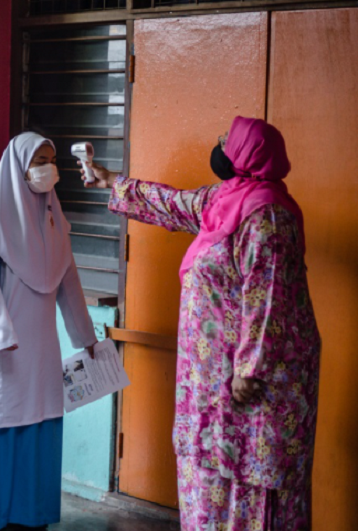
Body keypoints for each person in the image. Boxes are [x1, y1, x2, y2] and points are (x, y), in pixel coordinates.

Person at [85, 116, 320, 530]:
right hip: (211, 377)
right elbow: (174, 204)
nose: (219, 144)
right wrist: (111, 182)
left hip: (250, 384)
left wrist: (250, 368)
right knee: (209, 468)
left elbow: (270, 298)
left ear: (248, 155)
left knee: (248, 477)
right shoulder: (226, 199)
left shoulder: (268, 216)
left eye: (227, 140)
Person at [0, 132, 98, 531]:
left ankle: (30, 512)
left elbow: (69, 280)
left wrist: (85, 336)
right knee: (0, 417)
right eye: (40, 159)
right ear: (19, 165)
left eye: (52, 159)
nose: (48, 168)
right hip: (1, 345)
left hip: (41, 345)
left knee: (40, 416)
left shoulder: (53, 218)